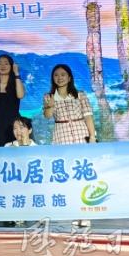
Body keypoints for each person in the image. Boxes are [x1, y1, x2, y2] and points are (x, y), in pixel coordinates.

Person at [43, 63, 95, 228]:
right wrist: (50, 106)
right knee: (70, 176)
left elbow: (88, 116)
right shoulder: (49, 96)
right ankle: (74, 212)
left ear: (69, 77)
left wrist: (92, 136)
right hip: (61, 136)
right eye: (56, 75)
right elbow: (47, 116)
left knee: (83, 174)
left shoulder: (80, 95)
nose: (59, 78)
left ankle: (85, 213)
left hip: (80, 134)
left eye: (63, 74)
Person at [0, 54, 25, 147]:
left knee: (14, 151)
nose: (2, 66)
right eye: (0, 63)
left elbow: (20, 95)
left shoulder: (16, 83)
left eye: (6, 63)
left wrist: (16, 73)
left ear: (11, 66)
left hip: (13, 124)